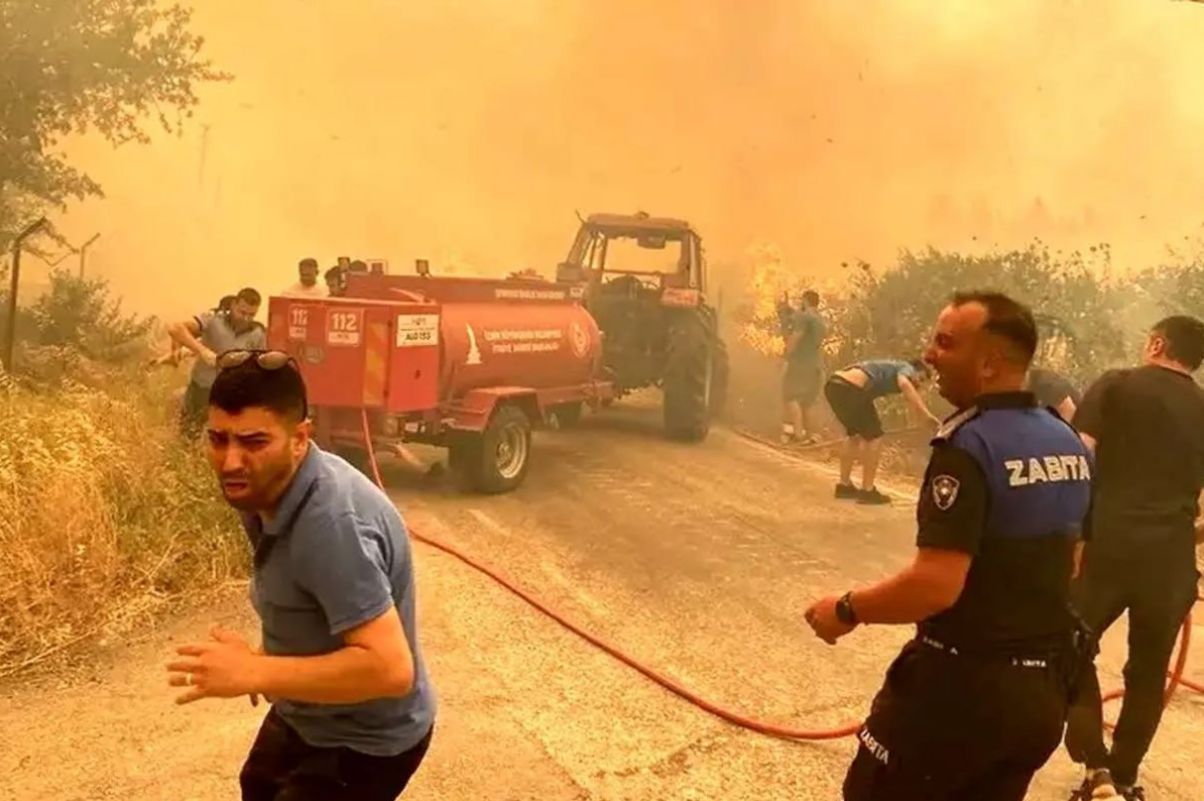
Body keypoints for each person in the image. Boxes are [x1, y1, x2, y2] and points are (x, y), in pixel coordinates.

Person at [805, 290, 1093, 801]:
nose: (931, 355)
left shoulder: (968, 445)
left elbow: (935, 585)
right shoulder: (1064, 439)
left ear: (988, 363)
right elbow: (1073, 561)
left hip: (959, 697)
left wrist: (846, 609)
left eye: (945, 343)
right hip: (1040, 699)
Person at [166, 349, 436, 800]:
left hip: (365, 741)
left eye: (253, 442)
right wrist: (261, 661)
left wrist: (257, 671)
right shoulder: (263, 487)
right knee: (257, 784)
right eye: (218, 439)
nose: (231, 461)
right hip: (308, 715)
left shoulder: (331, 525)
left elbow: (390, 669)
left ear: (300, 437)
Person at [1063, 315, 1204, 801]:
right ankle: (1124, 777)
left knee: (1069, 648)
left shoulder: (1117, 385)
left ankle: (1094, 769)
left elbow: (1079, 459)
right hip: (1169, 561)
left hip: (1107, 545)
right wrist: (1186, 534)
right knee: (1148, 671)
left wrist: (1072, 538)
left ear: (1156, 343)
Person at [823, 357, 942, 504]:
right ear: (915, 370)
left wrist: (922, 422)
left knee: (853, 434)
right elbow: (905, 384)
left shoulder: (892, 369)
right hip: (851, 389)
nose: (919, 383)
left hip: (834, 386)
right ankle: (867, 490)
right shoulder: (905, 367)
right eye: (921, 378)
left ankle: (844, 485)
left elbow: (910, 401)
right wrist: (927, 415)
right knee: (875, 437)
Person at [168, 288, 267, 436]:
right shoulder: (213, 319)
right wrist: (203, 352)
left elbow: (259, 367)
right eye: (242, 312)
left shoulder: (258, 333)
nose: (246, 318)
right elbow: (175, 328)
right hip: (202, 388)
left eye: (251, 315)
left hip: (230, 395)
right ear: (233, 305)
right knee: (189, 434)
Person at [781, 290, 827, 445]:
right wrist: (790, 312)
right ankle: (812, 435)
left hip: (800, 364)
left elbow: (796, 336)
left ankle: (798, 435)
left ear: (806, 300)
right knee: (807, 402)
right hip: (816, 365)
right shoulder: (820, 320)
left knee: (791, 397)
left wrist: (786, 355)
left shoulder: (804, 317)